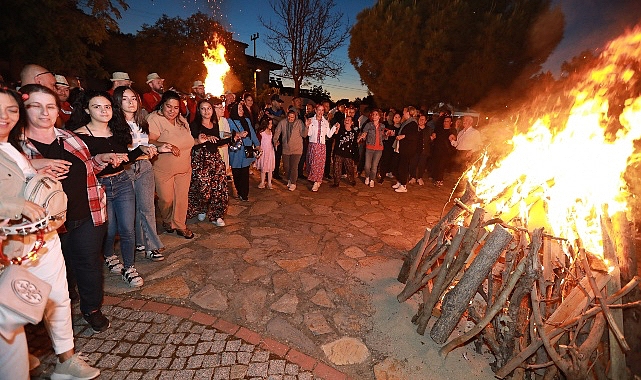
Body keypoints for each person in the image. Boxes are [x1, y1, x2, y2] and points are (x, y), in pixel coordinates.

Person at [1, 87, 100, 380]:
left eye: (11, 110)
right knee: (12, 309)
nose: (5, 117)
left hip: (43, 236)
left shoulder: (11, 148)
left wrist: (36, 172)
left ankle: (65, 360)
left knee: (57, 296)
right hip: (9, 247)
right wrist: (9, 203)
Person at [69, 90, 152, 287]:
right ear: (87, 110)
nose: (103, 111)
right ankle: (108, 254)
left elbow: (124, 159)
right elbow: (81, 168)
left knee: (127, 228)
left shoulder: (118, 130)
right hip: (99, 186)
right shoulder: (80, 136)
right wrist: (101, 159)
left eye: (107, 106)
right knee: (110, 228)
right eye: (97, 107)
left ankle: (130, 267)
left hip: (122, 182)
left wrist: (140, 151)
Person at [112, 86, 169, 261]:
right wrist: (140, 150)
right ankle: (137, 242)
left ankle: (152, 246)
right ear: (117, 102)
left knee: (147, 207)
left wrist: (157, 148)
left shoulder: (141, 121)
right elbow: (121, 154)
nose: (131, 102)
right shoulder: (113, 125)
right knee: (130, 210)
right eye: (125, 99)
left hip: (144, 167)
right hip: (126, 169)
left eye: (134, 98)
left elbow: (145, 145)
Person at [147, 90, 195, 238]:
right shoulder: (154, 118)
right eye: (169, 106)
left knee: (182, 198)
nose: (172, 111)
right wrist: (164, 144)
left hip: (184, 167)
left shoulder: (181, 120)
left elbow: (189, 140)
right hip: (163, 169)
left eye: (175, 107)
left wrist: (199, 139)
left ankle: (180, 225)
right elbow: (150, 140)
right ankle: (167, 220)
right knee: (166, 199)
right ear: (162, 105)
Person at [187, 98, 230, 227]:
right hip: (200, 160)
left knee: (219, 187)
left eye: (209, 108)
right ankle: (202, 208)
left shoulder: (215, 124)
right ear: (199, 111)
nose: (206, 111)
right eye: (203, 108)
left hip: (215, 158)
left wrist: (231, 138)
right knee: (202, 187)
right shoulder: (194, 125)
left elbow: (216, 141)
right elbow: (192, 143)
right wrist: (203, 139)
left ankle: (217, 215)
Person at [227, 101, 260, 201]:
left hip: (246, 148)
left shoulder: (246, 120)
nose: (241, 111)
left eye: (242, 109)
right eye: (239, 109)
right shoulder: (229, 121)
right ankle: (239, 190)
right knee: (236, 172)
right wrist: (238, 134)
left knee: (245, 172)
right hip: (236, 151)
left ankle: (244, 194)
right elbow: (228, 134)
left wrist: (257, 144)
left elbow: (252, 132)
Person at [306, 104, 338, 192]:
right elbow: (308, 134)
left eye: (322, 110)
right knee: (313, 163)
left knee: (319, 164)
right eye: (319, 110)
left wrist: (335, 127)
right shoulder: (311, 120)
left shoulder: (325, 122)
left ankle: (317, 181)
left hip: (321, 145)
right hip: (313, 144)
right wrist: (307, 126)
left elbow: (329, 134)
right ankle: (316, 179)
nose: (320, 112)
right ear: (315, 110)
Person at [273, 109, 307, 191]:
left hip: (297, 149)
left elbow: (304, 135)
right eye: (289, 117)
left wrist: (307, 126)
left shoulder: (299, 123)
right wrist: (275, 141)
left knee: (294, 166)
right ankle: (289, 179)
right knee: (286, 167)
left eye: (292, 117)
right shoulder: (283, 122)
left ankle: (293, 182)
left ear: (295, 117)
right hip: (286, 148)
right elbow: (277, 132)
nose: (290, 118)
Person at [392, 106, 419, 193]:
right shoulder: (406, 122)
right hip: (402, 148)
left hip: (407, 149)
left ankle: (403, 185)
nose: (403, 113)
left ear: (408, 113)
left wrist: (403, 136)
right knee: (398, 165)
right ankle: (400, 182)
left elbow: (414, 136)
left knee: (403, 167)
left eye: (404, 111)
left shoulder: (413, 123)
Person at [359, 108, 386, 188]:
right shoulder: (368, 125)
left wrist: (387, 134)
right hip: (369, 147)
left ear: (379, 117)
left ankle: (372, 180)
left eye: (376, 115)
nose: (374, 116)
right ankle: (367, 176)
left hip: (379, 149)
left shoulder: (382, 126)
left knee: (374, 166)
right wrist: (363, 136)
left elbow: (383, 137)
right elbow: (364, 133)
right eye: (373, 114)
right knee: (367, 166)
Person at [331, 115, 358, 187]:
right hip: (339, 152)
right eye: (346, 119)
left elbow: (354, 144)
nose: (347, 121)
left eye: (349, 120)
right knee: (337, 168)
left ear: (352, 122)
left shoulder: (354, 133)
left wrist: (355, 155)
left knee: (349, 168)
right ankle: (336, 182)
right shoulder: (341, 130)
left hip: (348, 153)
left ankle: (352, 180)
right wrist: (336, 130)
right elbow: (335, 138)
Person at [430, 114, 457, 187]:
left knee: (441, 166)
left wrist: (453, 138)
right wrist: (433, 136)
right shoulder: (439, 129)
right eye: (445, 121)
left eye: (447, 121)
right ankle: (436, 178)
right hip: (437, 150)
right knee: (436, 165)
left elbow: (454, 140)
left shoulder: (452, 131)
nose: (446, 123)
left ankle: (439, 180)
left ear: (451, 122)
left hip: (446, 152)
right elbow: (434, 136)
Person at [408, 113, 434, 186]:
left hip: (424, 150)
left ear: (425, 121)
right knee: (413, 163)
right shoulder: (415, 128)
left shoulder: (429, 129)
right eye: (420, 119)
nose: (421, 121)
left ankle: (419, 177)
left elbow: (431, 139)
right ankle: (412, 177)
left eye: (423, 119)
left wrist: (432, 138)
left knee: (422, 164)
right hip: (415, 150)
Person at [264, 94, 285, 180]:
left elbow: (283, 121)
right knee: (268, 155)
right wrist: (276, 119)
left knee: (278, 155)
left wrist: (273, 117)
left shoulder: (282, 111)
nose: (280, 104)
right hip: (269, 136)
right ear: (273, 102)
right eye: (278, 102)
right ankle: (266, 172)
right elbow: (265, 123)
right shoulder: (267, 111)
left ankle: (275, 172)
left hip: (279, 136)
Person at [379, 111, 401, 183]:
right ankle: (382, 176)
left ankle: (393, 174)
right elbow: (384, 137)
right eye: (396, 117)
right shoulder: (390, 127)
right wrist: (387, 135)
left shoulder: (401, 128)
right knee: (385, 160)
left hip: (396, 148)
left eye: (398, 117)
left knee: (395, 162)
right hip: (388, 147)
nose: (397, 119)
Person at [255, 118, 275, 189]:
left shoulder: (272, 132)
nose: (271, 125)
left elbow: (273, 141)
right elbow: (258, 141)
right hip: (264, 152)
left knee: (270, 168)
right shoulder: (261, 132)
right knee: (264, 167)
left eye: (271, 123)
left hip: (270, 152)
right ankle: (262, 181)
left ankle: (269, 182)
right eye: (269, 123)